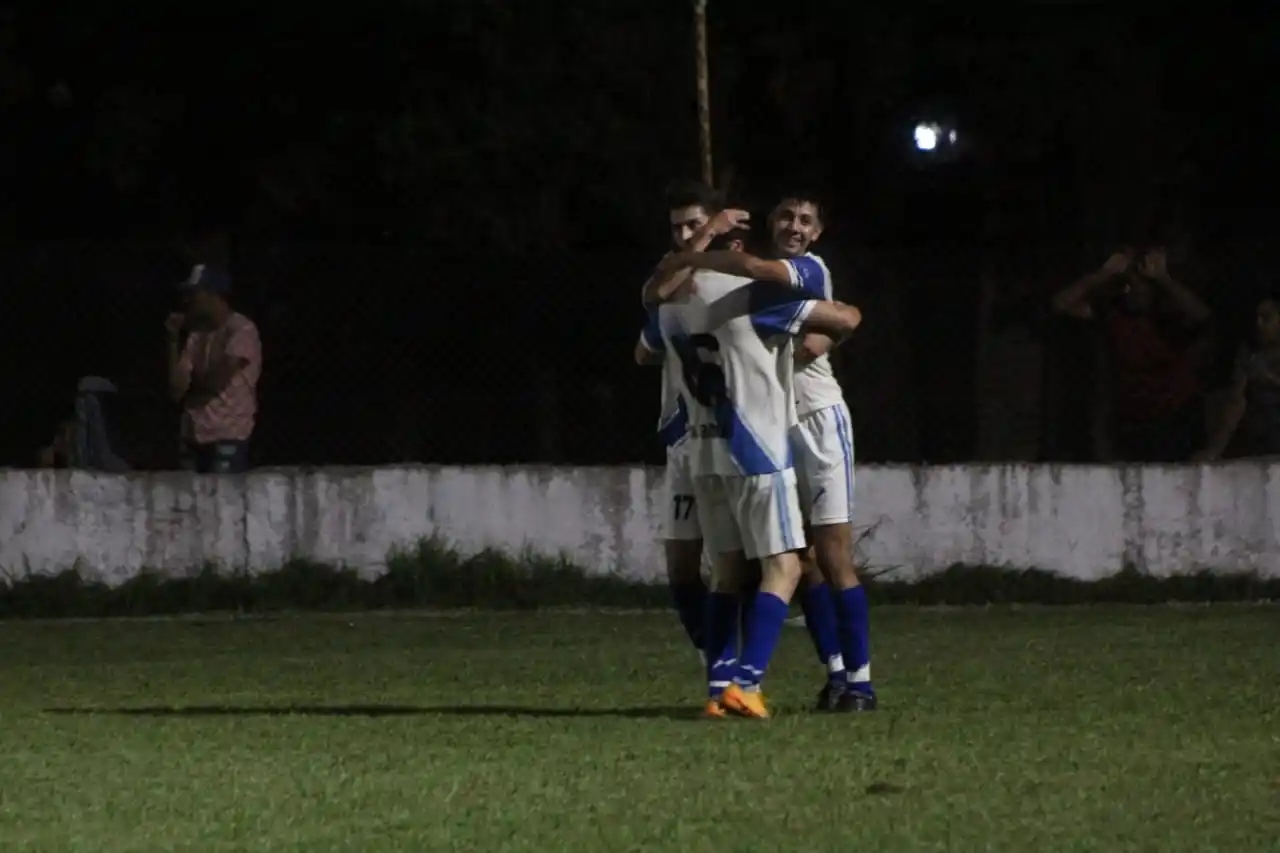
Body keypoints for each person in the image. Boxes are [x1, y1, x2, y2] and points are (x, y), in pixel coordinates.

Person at [667, 192, 876, 712]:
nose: (795, 225)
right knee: (796, 561)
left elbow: (819, 334)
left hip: (816, 417)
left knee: (830, 554)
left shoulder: (803, 269)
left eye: (807, 219)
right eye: (786, 216)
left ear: (819, 233)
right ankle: (828, 674)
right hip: (771, 424)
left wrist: (695, 252)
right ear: (769, 223)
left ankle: (859, 682)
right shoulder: (746, 291)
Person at [632, 182, 744, 664]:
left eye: (695, 224)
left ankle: (836, 667)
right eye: (678, 227)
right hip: (684, 440)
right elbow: (644, 342)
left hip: (737, 438)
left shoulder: (740, 278)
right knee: (680, 567)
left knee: (745, 564)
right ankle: (716, 656)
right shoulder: (674, 285)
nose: (684, 234)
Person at [1051, 248, 1211, 462]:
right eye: (1128, 286)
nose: (1134, 292)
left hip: (1176, 417)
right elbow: (1061, 305)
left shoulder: (1168, 313)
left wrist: (1164, 279)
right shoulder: (1113, 314)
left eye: (1141, 287)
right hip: (1135, 420)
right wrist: (1102, 275)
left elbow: (1202, 317)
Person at [166, 264, 262, 474]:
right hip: (194, 433)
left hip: (227, 433)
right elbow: (176, 389)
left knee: (224, 501)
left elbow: (217, 381)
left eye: (193, 294)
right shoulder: (197, 335)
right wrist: (173, 339)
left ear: (213, 294)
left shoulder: (241, 330)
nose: (187, 300)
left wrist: (194, 386)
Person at [1198, 292, 1280, 459]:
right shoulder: (1250, 354)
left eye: (1266, 318)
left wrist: (1270, 379)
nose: (1259, 324)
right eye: (1256, 318)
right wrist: (1214, 451)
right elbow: (1236, 403)